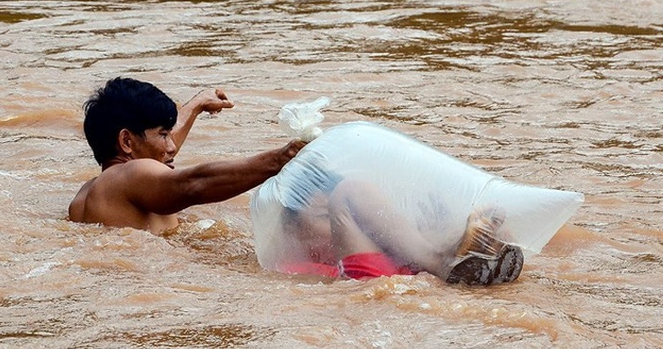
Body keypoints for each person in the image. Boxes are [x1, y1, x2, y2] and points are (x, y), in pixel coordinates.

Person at [69, 77, 305, 234]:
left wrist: (198, 104)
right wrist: (284, 157)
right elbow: (194, 183)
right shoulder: (129, 175)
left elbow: (157, 155)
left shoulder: (89, 192)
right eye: (163, 134)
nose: (172, 147)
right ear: (127, 141)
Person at [279, 165, 524, 286]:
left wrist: (434, 232)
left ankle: (466, 257)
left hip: (413, 283)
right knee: (349, 191)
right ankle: (444, 261)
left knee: (496, 234)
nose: (337, 227)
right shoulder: (293, 268)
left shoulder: (385, 244)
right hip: (368, 284)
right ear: (295, 232)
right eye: (326, 217)